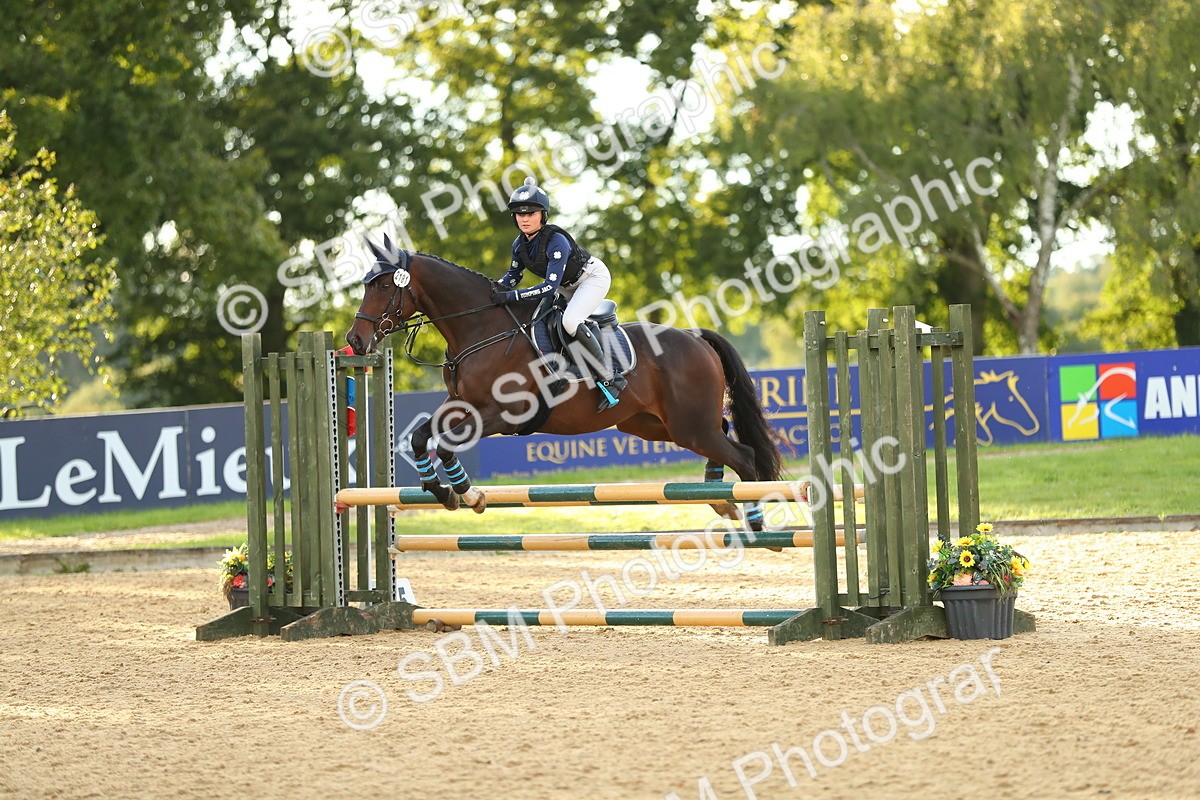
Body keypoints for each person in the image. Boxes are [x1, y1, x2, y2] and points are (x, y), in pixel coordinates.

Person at [491, 176, 625, 410]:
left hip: (591, 278)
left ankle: (610, 377)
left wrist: (511, 297)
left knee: (571, 321)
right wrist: (492, 290)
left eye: (531, 213)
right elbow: (513, 277)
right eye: (520, 214)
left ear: (543, 216)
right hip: (566, 285)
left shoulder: (556, 241)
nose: (525, 219)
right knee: (539, 320)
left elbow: (548, 288)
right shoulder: (518, 245)